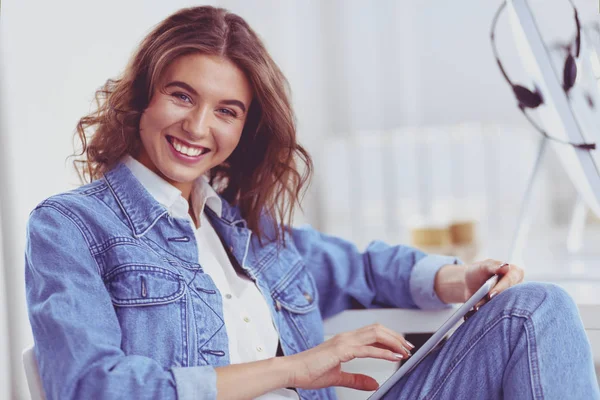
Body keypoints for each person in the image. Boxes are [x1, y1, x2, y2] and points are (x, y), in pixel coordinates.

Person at [24, 5, 599, 400]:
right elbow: (93, 386)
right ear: (144, 98)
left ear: (244, 131)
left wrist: (457, 278)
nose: (198, 126)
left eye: (227, 110)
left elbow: (361, 267)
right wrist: (300, 367)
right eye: (182, 95)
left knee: (536, 308)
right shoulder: (72, 226)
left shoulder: (243, 232)